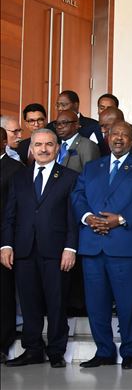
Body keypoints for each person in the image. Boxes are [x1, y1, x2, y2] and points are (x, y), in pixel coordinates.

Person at [71, 121, 132, 370]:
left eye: (124, 135)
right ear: (107, 137)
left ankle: (129, 351)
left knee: (128, 303)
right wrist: (88, 218)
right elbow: (78, 196)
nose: (118, 138)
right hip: (93, 244)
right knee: (96, 304)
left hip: (126, 246)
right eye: (114, 134)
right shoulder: (91, 167)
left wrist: (118, 220)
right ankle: (104, 351)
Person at [1, 128, 79, 368]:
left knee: (56, 303)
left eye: (48, 144)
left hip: (56, 252)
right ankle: (32, 349)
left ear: (57, 148)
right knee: (29, 303)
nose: (43, 149)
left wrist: (70, 248)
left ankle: (56, 351)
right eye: (38, 145)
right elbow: (10, 215)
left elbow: (73, 217)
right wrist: (6, 245)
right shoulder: (20, 177)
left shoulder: (70, 176)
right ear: (31, 149)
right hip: (24, 250)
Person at [0, 130, 23, 363]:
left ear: (4, 142)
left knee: (3, 295)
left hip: (3, 241)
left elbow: (14, 210)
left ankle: (2, 343)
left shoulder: (14, 169)